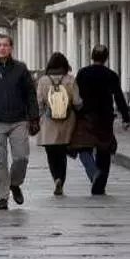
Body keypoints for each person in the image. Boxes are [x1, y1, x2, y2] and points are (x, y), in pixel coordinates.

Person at [0, 34, 39, 210]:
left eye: (5, 45)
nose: (2, 48)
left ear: (11, 48)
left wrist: (34, 117)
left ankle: (14, 183)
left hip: (18, 120)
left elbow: (30, 94)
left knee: (21, 157)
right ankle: (2, 197)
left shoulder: (21, 69)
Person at [69, 45, 130, 195]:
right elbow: (119, 96)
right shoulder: (111, 75)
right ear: (106, 58)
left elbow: (76, 95)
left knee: (83, 148)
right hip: (105, 118)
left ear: (92, 56)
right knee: (104, 150)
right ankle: (100, 184)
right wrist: (126, 117)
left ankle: (93, 173)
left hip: (86, 116)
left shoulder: (83, 73)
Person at [35, 52, 82, 196]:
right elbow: (77, 102)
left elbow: (39, 103)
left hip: (48, 122)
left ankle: (56, 178)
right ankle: (61, 178)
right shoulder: (70, 79)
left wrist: (38, 117)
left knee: (51, 154)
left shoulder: (43, 80)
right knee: (62, 153)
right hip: (67, 121)